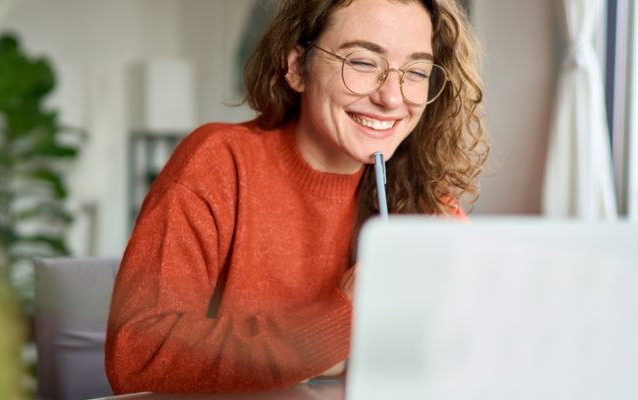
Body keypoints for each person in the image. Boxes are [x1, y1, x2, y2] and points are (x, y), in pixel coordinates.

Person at [105, 0, 487, 394]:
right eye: (361, 62)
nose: (391, 97)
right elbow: (138, 358)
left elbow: (481, 350)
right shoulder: (218, 162)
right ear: (296, 67)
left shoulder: (424, 199)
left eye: (417, 71)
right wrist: (339, 322)